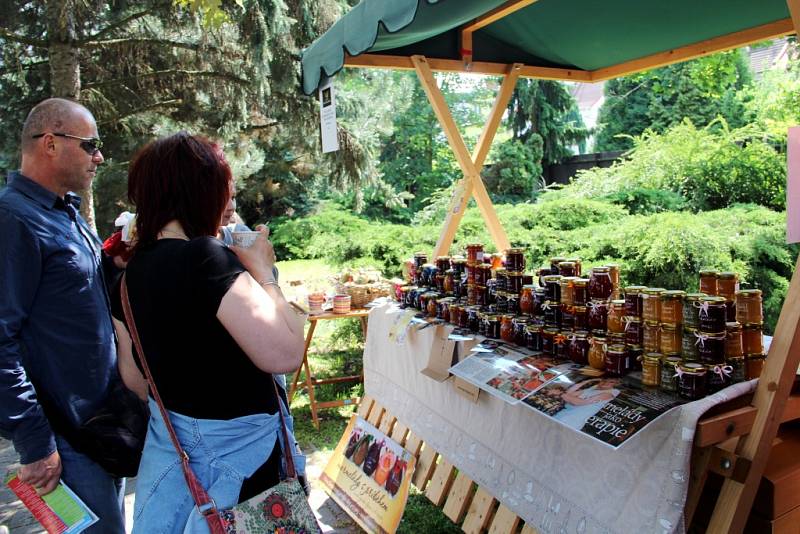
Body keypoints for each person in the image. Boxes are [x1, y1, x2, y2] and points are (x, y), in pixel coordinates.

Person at [109, 132, 306, 532]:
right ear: (202, 192)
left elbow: (132, 376)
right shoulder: (205, 258)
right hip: (244, 468)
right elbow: (285, 353)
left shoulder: (129, 275)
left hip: (176, 458)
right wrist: (265, 273)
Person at [0, 98, 127, 532]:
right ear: (50, 144)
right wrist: (35, 443)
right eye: (90, 144)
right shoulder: (13, 219)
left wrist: (115, 261)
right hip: (62, 440)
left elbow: (74, 294)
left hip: (101, 428)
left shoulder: (64, 210)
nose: (100, 156)